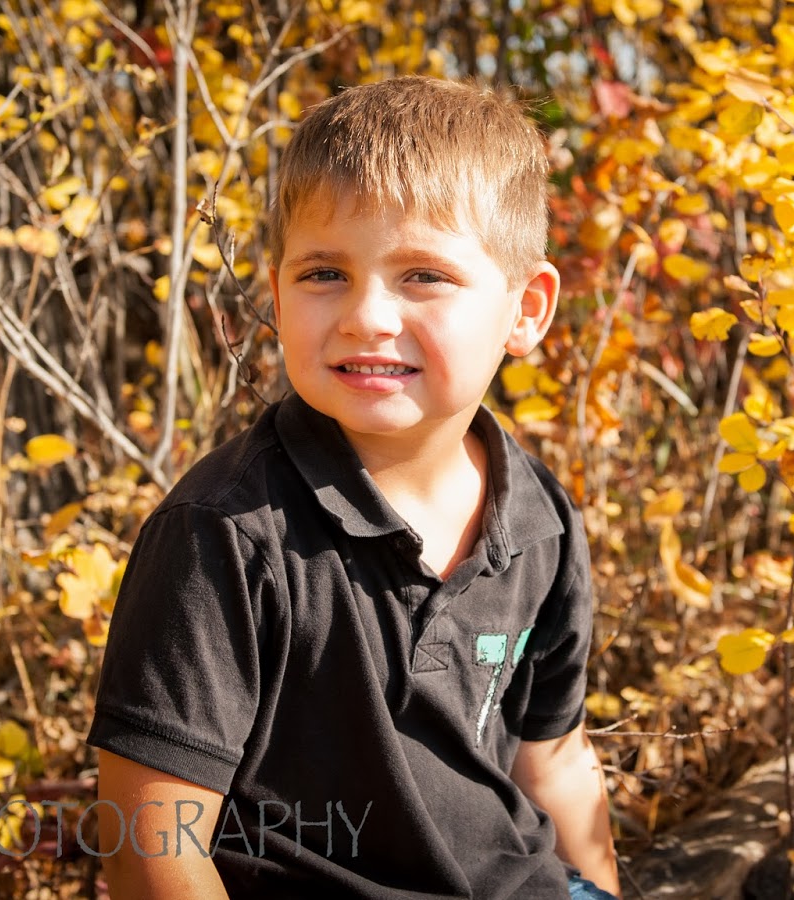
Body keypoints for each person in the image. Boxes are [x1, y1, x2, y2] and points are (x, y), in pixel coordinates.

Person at [85, 76, 620, 899]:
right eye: (324, 273)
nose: (366, 316)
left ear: (526, 309)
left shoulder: (537, 518)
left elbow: (554, 763)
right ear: (276, 293)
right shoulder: (224, 534)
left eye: (424, 275)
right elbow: (152, 850)